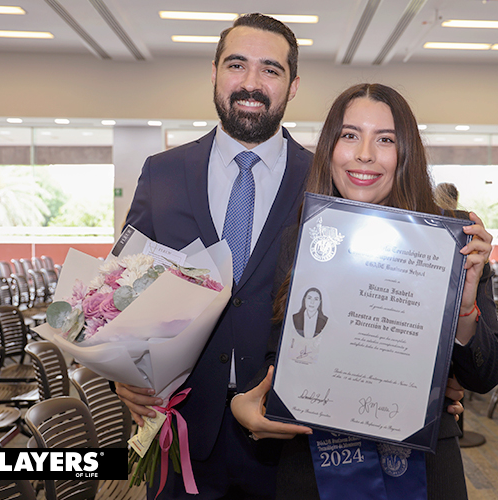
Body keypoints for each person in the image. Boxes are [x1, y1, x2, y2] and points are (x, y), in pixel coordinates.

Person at [231, 83, 498, 500]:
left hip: (425, 467)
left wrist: (464, 307)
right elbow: (282, 356)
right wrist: (247, 401)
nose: (364, 154)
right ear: (330, 148)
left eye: (385, 139)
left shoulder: (453, 239)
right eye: (350, 135)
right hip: (313, 462)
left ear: (406, 153)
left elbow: (485, 376)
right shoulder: (301, 239)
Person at [113, 13, 313, 499]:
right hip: (179, 429)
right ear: (214, 72)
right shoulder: (162, 172)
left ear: (292, 85)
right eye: (236, 65)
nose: (251, 83)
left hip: (286, 437)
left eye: (270, 69)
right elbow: (123, 285)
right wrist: (124, 372)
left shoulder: (322, 181)